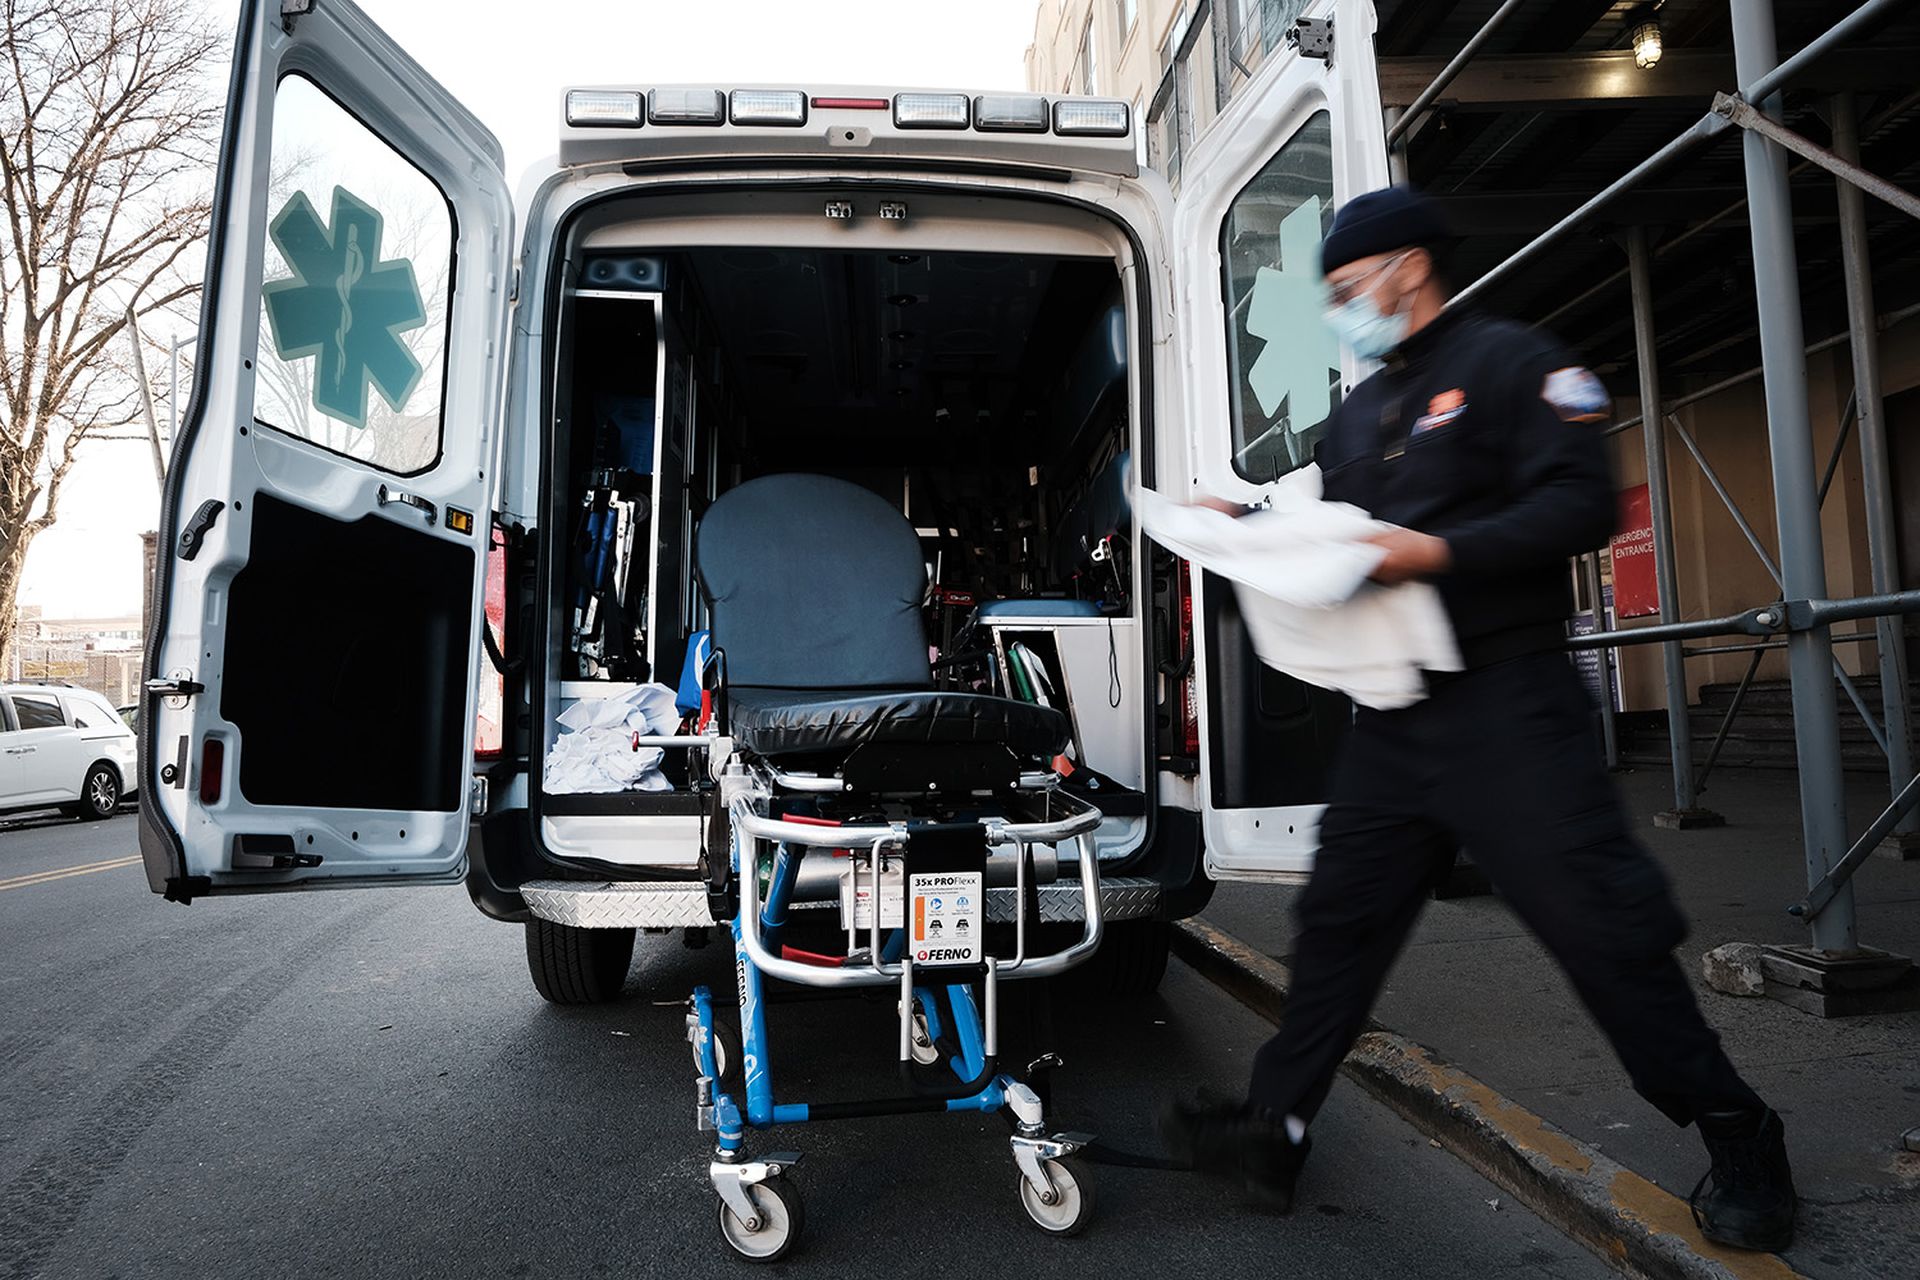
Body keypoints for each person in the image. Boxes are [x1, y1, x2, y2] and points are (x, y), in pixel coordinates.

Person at [1158, 186, 1797, 1253]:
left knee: (1602, 931)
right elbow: (1333, 512)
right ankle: (1276, 1125)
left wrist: (1439, 551)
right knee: (1338, 927)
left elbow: (1580, 502)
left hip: (1514, 704)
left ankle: (1738, 1127)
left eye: (1347, 287)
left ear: (1407, 266)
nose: (1341, 308)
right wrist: (1248, 515)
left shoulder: (1511, 363)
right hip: (1397, 710)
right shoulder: (1362, 408)